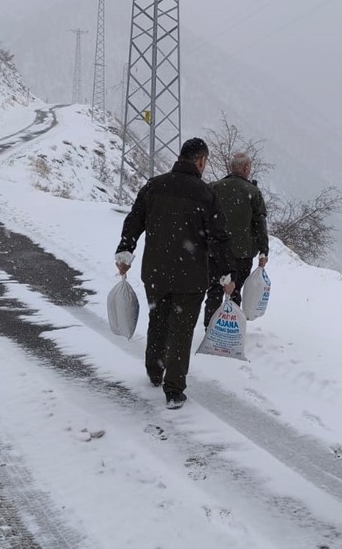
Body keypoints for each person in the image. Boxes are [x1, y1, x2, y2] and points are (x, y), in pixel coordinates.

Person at [115, 138, 235, 410]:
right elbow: (219, 238)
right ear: (201, 161)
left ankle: (154, 370)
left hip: (155, 271)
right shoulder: (206, 194)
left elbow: (134, 221)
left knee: (158, 317)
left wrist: (125, 253)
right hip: (190, 276)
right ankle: (174, 389)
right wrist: (226, 274)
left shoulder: (154, 186)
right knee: (181, 330)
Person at [205, 151, 269, 325]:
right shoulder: (253, 192)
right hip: (242, 253)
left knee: (214, 291)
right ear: (246, 168)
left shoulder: (214, 188)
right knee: (235, 290)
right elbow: (260, 224)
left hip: (215, 251)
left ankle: (209, 327)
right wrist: (263, 251)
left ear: (232, 167)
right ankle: (229, 329)